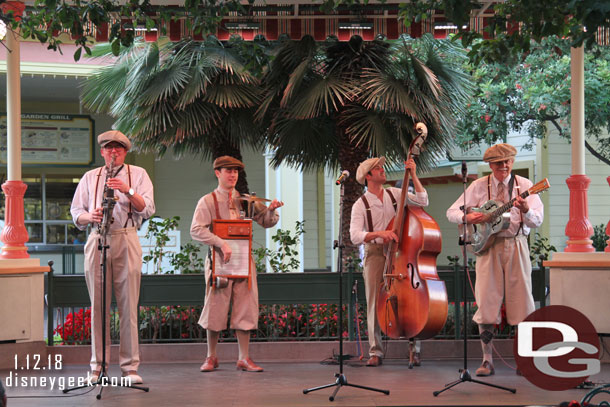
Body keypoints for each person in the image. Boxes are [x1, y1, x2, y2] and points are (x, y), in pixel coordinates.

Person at [446, 143, 543, 376]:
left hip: (517, 245)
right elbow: (451, 212)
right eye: (499, 162)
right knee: (487, 302)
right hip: (487, 248)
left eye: (508, 161)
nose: (505, 166)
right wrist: (468, 216)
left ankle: (524, 360)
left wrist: (527, 208)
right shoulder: (479, 185)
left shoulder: (526, 186)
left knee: (522, 303)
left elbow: (537, 220)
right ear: (490, 165)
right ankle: (487, 360)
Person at [71, 130, 155, 384]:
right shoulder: (89, 177)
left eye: (118, 148)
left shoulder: (138, 174)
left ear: (125, 152)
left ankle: (130, 367)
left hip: (126, 236)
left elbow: (149, 208)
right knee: (98, 305)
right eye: (109, 148)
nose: (113, 152)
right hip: (98, 237)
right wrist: (90, 217)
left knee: (128, 303)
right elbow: (76, 213)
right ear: (102, 152)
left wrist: (127, 190)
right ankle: (98, 366)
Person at [191, 156, 283, 373]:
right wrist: (221, 243)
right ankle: (211, 357)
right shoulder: (207, 201)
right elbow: (196, 230)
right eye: (227, 171)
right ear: (217, 173)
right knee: (215, 307)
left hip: (243, 262)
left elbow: (266, 222)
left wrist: (271, 209)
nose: (232, 175)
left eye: (235, 171)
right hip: (218, 261)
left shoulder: (245, 200)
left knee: (246, 307)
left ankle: (244, 358)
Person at [349, 156, 429, 367]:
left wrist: (413, 174)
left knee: (409, 296)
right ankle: (376, 351)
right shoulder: (360, 204)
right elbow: (355, 236)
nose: (383, 170)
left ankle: (415, 349)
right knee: (375, 301)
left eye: (382, 167)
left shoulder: (395, 193)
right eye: (377, 169)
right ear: (368, 176)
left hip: (402, 252)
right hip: (375, 252)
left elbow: (423, 201)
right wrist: (380, 234)